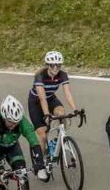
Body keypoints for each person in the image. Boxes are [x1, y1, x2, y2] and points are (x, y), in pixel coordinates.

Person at [29, 51, 79, 180]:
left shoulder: (62, 75)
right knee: (42, 135)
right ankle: (40, 165)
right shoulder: (40, 76)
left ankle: (61, 139)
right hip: (36, 102)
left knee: (62, 114)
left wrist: (75, 110)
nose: (55, 68)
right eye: (52, 65)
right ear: (47, 65)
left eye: (58, 65)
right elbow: (42, 98)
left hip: (50, 98)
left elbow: (67, 93)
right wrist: (46, 114)